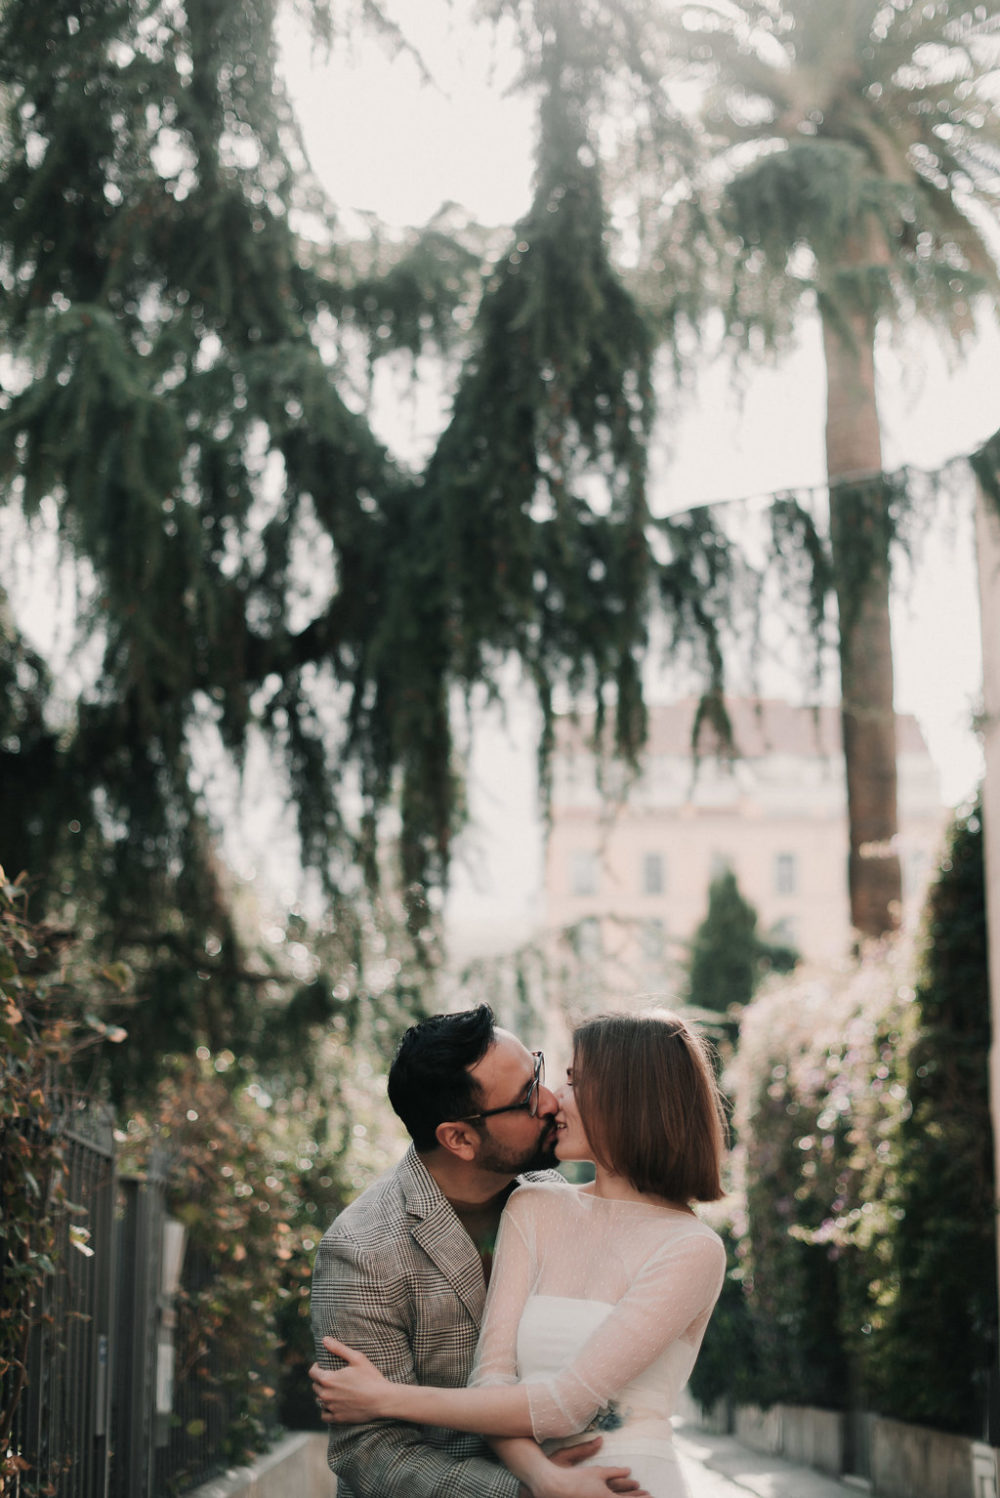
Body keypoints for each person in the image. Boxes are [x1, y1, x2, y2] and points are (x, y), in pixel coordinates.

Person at [314, 1008, 728, 1498]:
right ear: (460, 1139)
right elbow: (370, 1454)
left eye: (542, 1076)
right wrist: (534, 1486)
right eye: (527, 1097)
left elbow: (567, 1401)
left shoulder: (542, 1191)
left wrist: (389, 1399)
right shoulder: (363, 1249)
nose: (551, 1100)